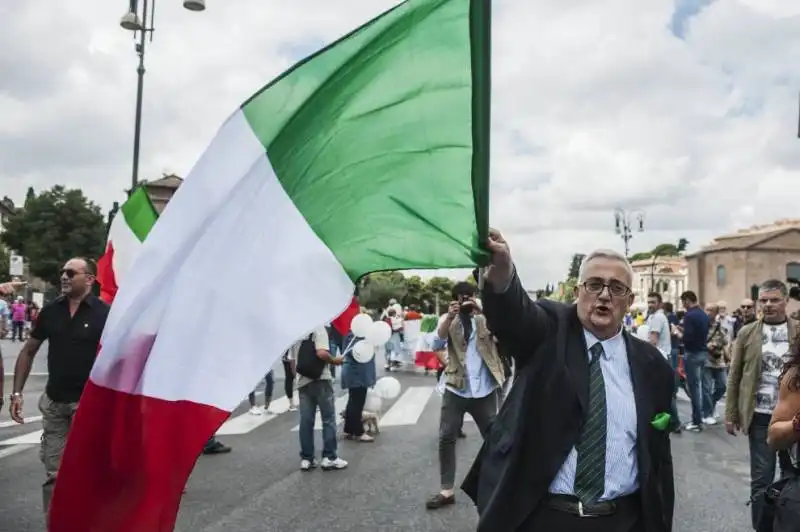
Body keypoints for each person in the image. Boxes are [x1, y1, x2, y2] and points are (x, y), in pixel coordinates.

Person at [463, 230, 675, 532]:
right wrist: (502, 272)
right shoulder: (549, 332)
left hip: (623, 519)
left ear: (630, 300)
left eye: (616, 288)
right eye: (594, 284)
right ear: (578, 291)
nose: (604, 295)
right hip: (547, 517)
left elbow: (659, 461)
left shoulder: (654, 366)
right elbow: (516, 316)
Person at [7, 259, 110, 523]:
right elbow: (29, 350)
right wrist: (17, 393)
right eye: (62, 272)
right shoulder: (51, 311)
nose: (64, 277)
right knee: (55, 472)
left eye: (70, 273)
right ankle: (58, 524)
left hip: (87, 405)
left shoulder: (105, 314)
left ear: (89, 279)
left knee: (87, 470)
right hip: (54, 403)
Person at [426, 282, 505, 510]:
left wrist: (484, 311)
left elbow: (504, 334)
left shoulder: (485, 318)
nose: (466, 302)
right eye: (461, 298)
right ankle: (446, 490)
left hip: (484, 390)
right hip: (456, 387)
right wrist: (449, 319)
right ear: (455, 300)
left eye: (469, 297)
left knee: (494, 438)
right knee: (446, 437)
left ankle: (500, 484)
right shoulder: (448, 320)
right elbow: (436, 343)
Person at [725, 279, 797, 529]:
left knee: (793, 477)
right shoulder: (747, 332)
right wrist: (731, 413)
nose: (768, 305)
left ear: (786, 301)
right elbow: (734, 375)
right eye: (763, 300)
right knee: (762, 479)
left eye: (774, 299)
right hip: (760, 416)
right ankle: (762, 527)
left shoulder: (798, 331)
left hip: (792, 418)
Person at [340, 330, 376, 442]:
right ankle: (359, 432)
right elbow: (357, 353)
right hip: (357, 374)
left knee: (353, 401)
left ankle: (349, 430)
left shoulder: (352, 334)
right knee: (357, 403)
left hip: (356, 373)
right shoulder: (355, 335)